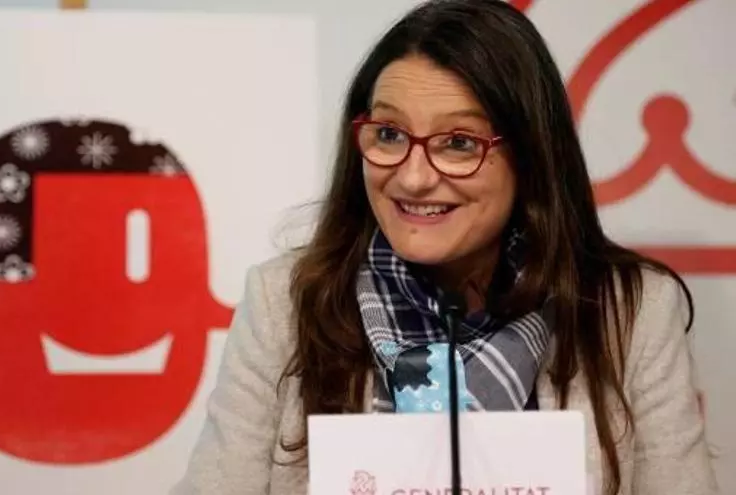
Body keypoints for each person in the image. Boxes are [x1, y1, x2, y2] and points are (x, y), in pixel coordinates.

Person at [172, 0, 718, 493]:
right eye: (389, 134)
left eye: (459, 143)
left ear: (531, 155)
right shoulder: (284, 302)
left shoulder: (632, 310)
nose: (413, 178)